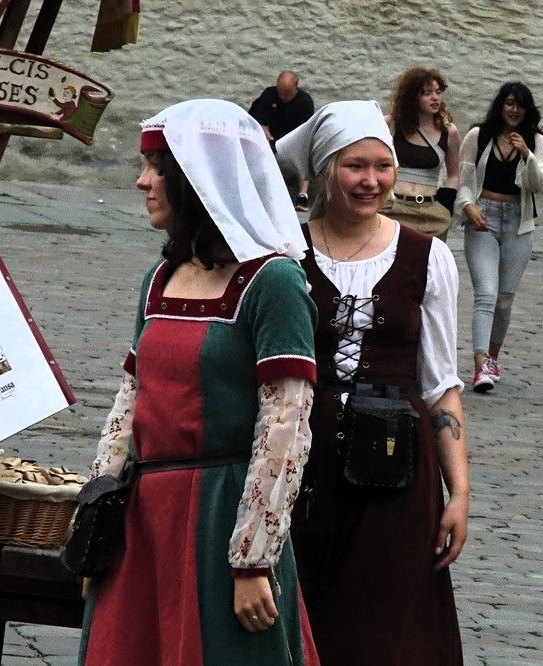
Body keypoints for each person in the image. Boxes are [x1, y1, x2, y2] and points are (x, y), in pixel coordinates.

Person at [78, 99, 320, 665]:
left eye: (157, 167)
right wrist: (95, 526)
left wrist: (252, 558)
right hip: (142, 523)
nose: (142, 181)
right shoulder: (160, 279)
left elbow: (285, 427)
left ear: (195, 179)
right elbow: (128, 405)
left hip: (219, 517)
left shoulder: (273, 283)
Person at [276, 101, 470, 664]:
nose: (371, 181)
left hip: (396, 468)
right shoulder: (285, 253)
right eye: (355, 166)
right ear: (324, 170)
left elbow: (441, 385)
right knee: (305, 617)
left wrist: (458, 493)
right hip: (303, 464)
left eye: (383, 166)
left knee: (385, 629)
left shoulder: (429, 257)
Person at [455, 82, 543, 393]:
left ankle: (493, 357)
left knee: (505, 300)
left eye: (520, 105)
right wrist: (467, 206)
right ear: (500, 105)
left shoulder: (536, 141)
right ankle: (480, 364)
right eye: (509, 103)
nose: (514, 110)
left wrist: (527, 154)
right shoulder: (478, 136)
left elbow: (538, 185)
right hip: (483, 218)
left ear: (527, 110)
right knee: (485, 293)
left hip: (518, 224)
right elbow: (464, 181)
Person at [382, 66, 461, 241]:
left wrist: (446, 203)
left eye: (438, 92)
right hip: (394, 208)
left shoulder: (449, 131)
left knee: (428, 257)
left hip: (430, 212)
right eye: (427, 93)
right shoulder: (391, 125)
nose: (435, 98)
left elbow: (454, 174)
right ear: (412, 97)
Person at [248, 70, 315, 210]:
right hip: (269, 139)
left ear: (296, 88)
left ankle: (302, 196)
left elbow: (305, 132)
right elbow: (262, 125)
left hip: (293, 141)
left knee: (305, 152)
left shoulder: (305, 102)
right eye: (281, 93)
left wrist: (288, 144)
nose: (283, 98)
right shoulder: (268, 95)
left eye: (287, 94)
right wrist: (269, 140)